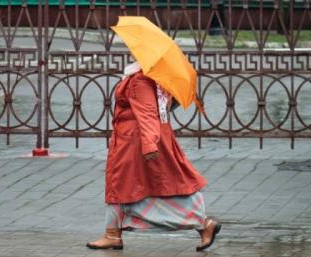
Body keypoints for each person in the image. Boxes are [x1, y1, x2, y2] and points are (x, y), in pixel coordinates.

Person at [86, 62, 221, 252]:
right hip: (137, 139)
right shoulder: (157, 78)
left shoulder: (140, 79)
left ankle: (203, 223)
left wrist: (149, 143)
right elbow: (163, 107)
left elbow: (147, 112)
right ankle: (112, 233)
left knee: (126, 184)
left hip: (135, 142)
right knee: (129, 185)